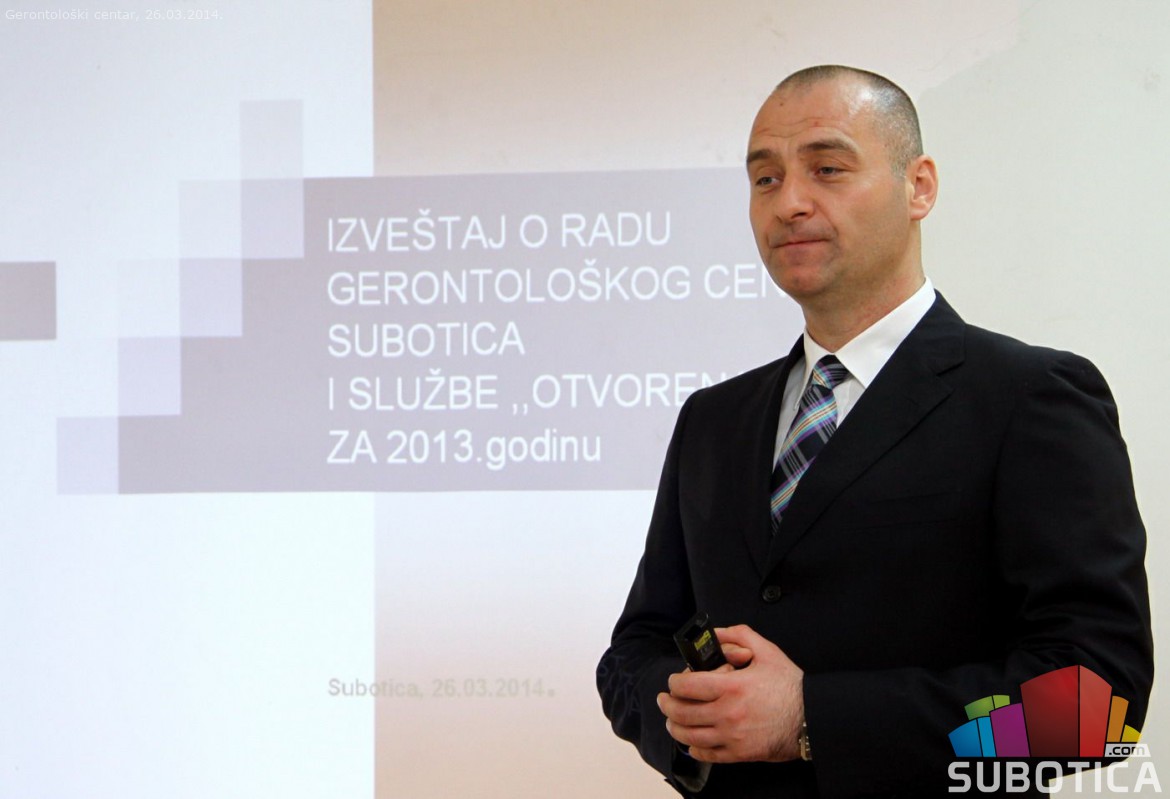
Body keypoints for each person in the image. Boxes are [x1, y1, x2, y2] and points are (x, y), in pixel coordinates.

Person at [596, 65, 1153, 798]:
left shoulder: (1031, 397)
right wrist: (690, 713)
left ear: (919, 187)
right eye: (765, 179)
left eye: (827, 169)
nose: (790, 203)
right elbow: (634, 651)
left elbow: (1095, 707)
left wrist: (812, 718)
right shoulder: (713, 419)